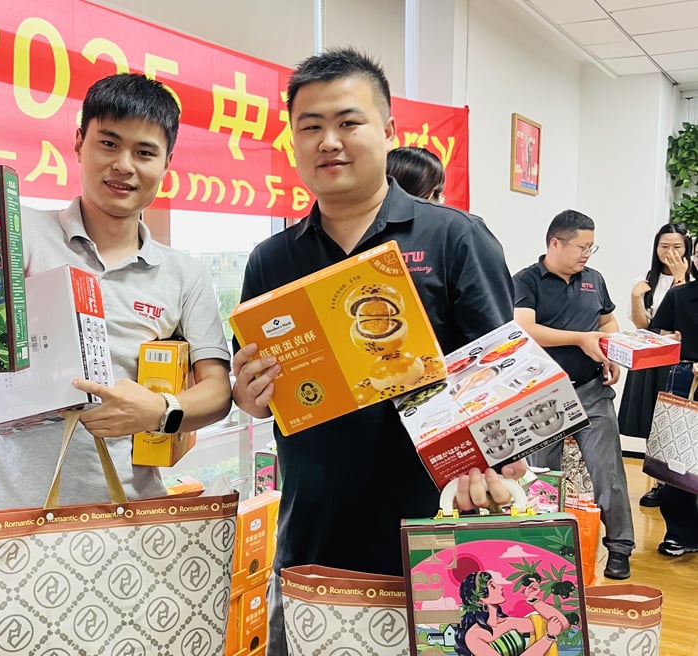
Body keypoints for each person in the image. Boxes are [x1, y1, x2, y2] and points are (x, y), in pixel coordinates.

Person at [230, 48, 526, 655]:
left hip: (438, 533)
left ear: (389, 130)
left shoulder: (454, 238)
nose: (329, 142)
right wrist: (250, 393)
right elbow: (257, 395)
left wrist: (500, 465)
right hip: (313, 540)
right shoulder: (272, 259)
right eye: (310, 126)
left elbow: (503, 378)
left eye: (348, 122)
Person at [0, 73, 233, 509]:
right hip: (11, 518)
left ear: (166, 163)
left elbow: (217, 391)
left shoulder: (184, 273)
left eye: (144, 152)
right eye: (109, 143)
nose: (124, 165)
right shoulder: (17, 231)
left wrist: (161, 410)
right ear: (79, 143)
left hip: (130, 516)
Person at [513, 209, 635, 580]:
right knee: (542, 476)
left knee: (608, 472)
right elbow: (525, 328)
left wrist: (611, 350)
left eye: (591, 247)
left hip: (592, 389)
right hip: (543, 394)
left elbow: (606, 321)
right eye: (582, 247)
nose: (587, 254)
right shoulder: (526, 281)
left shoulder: (593, 280)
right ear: (555, 243)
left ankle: (619, 548)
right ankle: (543, 550)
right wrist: (581, 339)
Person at [617, 223, 693, 507]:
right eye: (664, 246)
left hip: (683, 361)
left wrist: (680, 278)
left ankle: (680, 484)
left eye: (677, 246)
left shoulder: (691, 280)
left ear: (688, 249)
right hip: (653, 358)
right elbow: (643, 325)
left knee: (680, 421)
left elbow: (685, 322)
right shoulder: (646, 279)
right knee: (655, 421)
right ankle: (661, 481)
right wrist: (636, 296)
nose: (670, 252)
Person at [649, 242, 698, 557]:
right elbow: (658, 333)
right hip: (686, 378)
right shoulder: (680, 296)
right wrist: (668, 340)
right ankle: (681, 533)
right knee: (678, 459)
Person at [454, 571, 568, 656]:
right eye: (492, 586)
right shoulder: (474, 636)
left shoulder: (509, 622)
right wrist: (548, 638)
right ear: (480, 600)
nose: (501, 587)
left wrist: (533, 600)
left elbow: (562, 623)